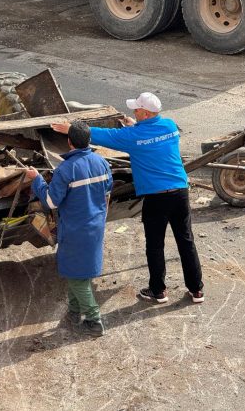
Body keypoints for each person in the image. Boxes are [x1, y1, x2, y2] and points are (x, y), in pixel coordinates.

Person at [51, 92, 204, 305]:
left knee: (155, 245)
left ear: (145, 112)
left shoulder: (133, 137)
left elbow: (106, 136)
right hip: (180, 191)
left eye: (136, 110)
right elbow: (149, 135)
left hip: (156, 197)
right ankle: (196, 290)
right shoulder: (170, 126)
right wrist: (135, 125)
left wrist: (72, 130)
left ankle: (158, 291)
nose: (134, 111)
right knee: (186, 241)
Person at [25, 121, 113, 336]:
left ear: (69, 141)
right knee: (80, 270)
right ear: (89, 141)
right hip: (95, 225)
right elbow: (108, 192)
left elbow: (51, 202)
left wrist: (36, 179)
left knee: (75, 274)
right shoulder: (102, 162)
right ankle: (73, 312)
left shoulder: (66, 169)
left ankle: (94, 321)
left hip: (75, 228)